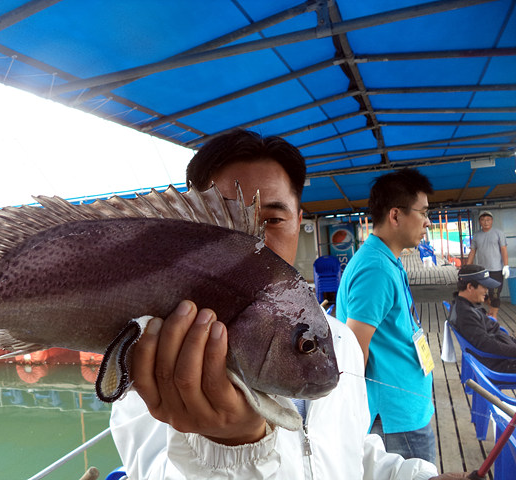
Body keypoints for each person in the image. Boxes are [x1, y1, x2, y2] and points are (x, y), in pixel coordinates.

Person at [110, 130, 465, 479]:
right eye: (225, 227)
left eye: (272, 220)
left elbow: (351, 451)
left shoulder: (339, 341)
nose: (251, 244)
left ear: (298, 220)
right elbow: (151, 470)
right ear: (194, 233)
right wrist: (230, 446)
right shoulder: (155, 353)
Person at [335, 169, 436, 463]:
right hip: (395, 417)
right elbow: (355, 349)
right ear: (395, 215)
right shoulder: (376, 269)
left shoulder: (387, 260)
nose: (428, 222)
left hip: (406, 407)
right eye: (423, 212)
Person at [448, 264, 516, 372]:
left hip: (501, 357)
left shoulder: (464, 305)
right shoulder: (466, 314)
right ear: (470, 287)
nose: (486, 291)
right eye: (484, 286)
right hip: (497, 364)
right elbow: (486, 344)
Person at [467, 211, 509, 318]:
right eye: (483, 220)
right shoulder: (476, 235)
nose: (486, 222)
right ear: (479, 221)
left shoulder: (499, 233)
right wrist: (467, 267)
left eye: (488, 220)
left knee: (494, 294)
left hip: (496, 269)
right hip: (482, 270)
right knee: (482, 295)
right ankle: (491, 310)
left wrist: (506, 265)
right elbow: (472, 252)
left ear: (492, 221)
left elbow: (503, 249)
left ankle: (494, 316)